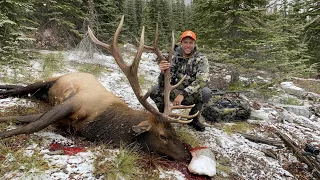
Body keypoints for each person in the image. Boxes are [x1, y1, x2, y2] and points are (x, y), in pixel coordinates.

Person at [150, 30, 211, 132]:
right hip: (174, 91)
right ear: (181, 43)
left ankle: (193, 118)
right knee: (154, 90)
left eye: (191, 43)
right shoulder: (173, 58)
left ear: (195, 44)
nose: (188, 45)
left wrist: (183, 94)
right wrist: (163, 73)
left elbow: (201, 81)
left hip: (190, 95)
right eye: (185, 42)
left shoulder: (201, 59)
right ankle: (163, 116)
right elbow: (162, 84)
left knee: (206, 92)